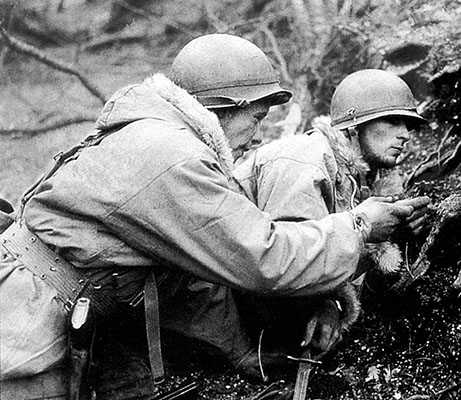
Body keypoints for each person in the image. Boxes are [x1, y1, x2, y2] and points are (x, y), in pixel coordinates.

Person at [0, 36, 417, 399]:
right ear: (224, 107)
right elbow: (265, 257)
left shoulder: (169, 141)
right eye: (256, 119)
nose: (258, 137)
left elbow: (189, 281)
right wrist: (359, 227)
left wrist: (240, 350)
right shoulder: (171, 157)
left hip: (76, 312)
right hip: (26, 322)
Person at [233, 68, 431, 356]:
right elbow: (282, 263)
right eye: (393, 121)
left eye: (408, 126)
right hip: (218, 311)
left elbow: (332, 252)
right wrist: (327, 304)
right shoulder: (305, 159)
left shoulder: (360, 179)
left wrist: (394, 232)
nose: (405, 135)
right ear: (353, 126)